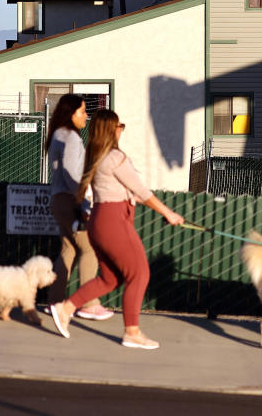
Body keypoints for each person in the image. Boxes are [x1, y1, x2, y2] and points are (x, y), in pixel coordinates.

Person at [50, 110, 184, 349]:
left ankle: (65, 308)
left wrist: (164, 212)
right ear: (111, 129)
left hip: (100, 221)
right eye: (119, 125)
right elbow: (142, 191)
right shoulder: (115, 157)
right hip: (114, 221)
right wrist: (169, 213)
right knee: (139, 274)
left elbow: (132, 193)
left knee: (110, 279)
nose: (122, 129)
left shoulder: (97, 157)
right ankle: (132, 332)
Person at [45, 94, 114, 321]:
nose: (86, 116)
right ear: (71, 113)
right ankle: (89, 304)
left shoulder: (57, 134)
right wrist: (83, 200)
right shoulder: (72, 138)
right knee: (90, 248)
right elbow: (71, 171)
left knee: (69, 249)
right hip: (70, 200)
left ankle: (54, 302)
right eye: (83, 111)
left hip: (58, 199)